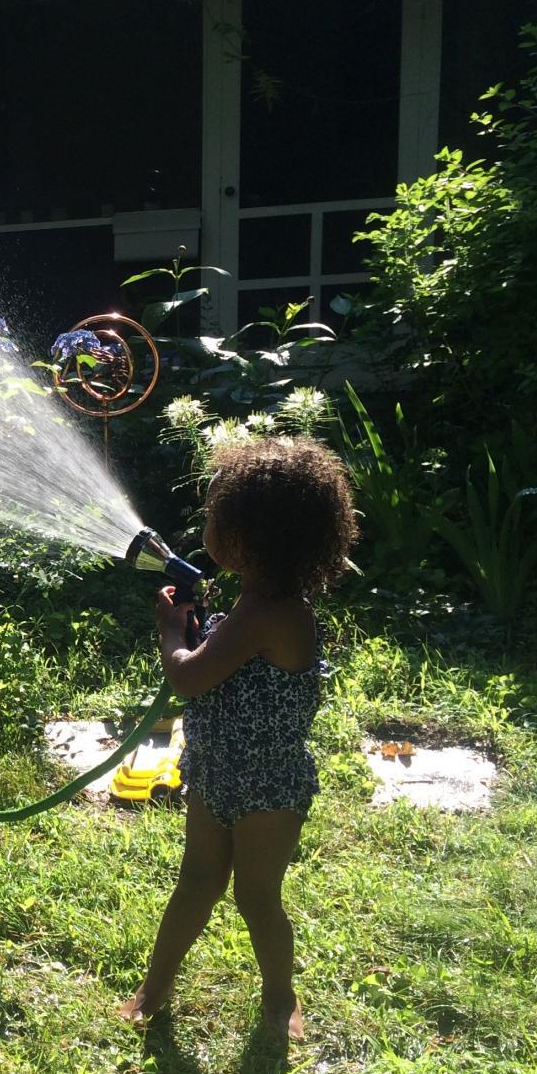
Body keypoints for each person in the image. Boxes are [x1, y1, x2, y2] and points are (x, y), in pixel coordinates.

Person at [118, 437, 358, 1042]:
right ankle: (156, 986)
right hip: (218, 770)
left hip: (267, 784)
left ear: (249, 537)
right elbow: (220, 661)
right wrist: (199, 628)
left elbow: (190, 674)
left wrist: (172, 630)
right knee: (197, 880)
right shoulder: (258, 600)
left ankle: (280, 997)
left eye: (213, 517)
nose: (205, 526)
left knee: (256, 897)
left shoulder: (268, 613)